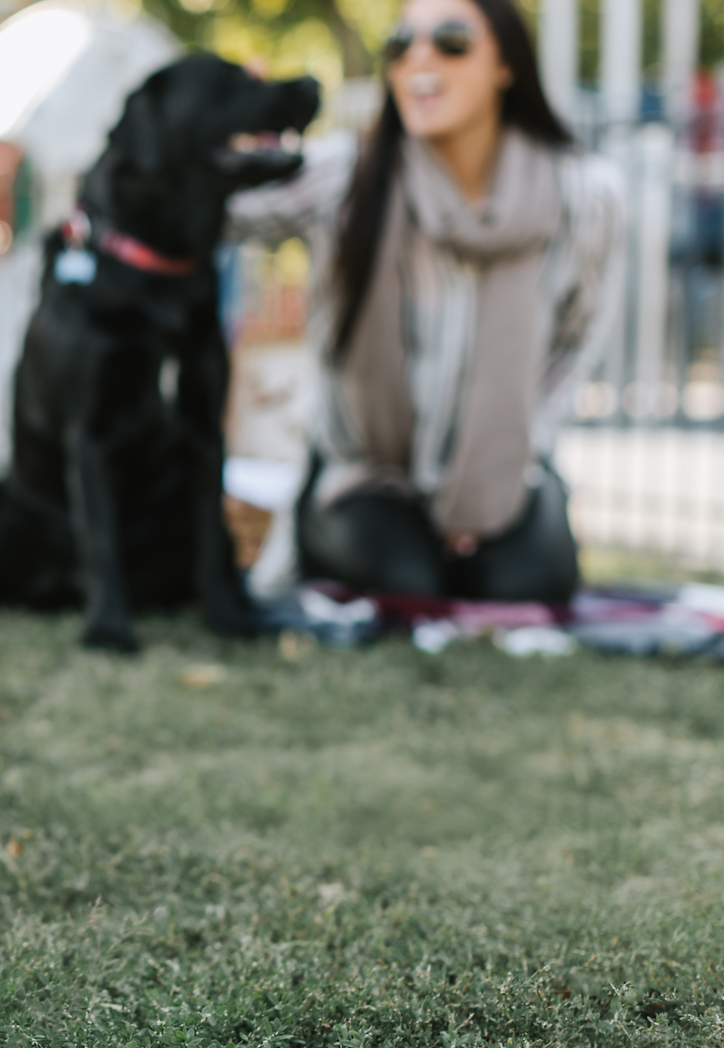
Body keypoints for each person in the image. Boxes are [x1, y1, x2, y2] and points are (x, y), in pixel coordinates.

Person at [230, 0, 625, 603]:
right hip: (364, 473)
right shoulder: (348, 174)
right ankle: (331, 532)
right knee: (404, 580)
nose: (419, 58)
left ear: (506, 65)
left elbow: (575, 345)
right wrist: (228, 133)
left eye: (450, 41)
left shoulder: (582, 195)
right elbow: (223, 215)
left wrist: (505, 467)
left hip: (505, 468)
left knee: (524, 581)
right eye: (400, 44)